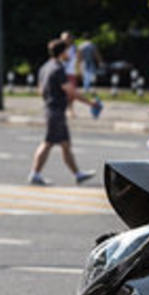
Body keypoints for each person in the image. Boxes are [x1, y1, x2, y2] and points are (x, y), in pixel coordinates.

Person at [27, 39, 98, 186]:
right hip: (56, 112)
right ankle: (34, 174)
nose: (69, 54)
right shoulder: (58, 69)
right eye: (67, 51)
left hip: (51, 109)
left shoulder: (45, 67)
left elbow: (40, 90)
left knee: (65, 145)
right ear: (62, 52)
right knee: (48, 143)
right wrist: (90, 103)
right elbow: (71, 91)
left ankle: (78, 174)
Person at [60, 31, 78, 116]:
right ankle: (62, 109)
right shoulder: (59, 48)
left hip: (71, 72)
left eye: (66, 38)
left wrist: (79, 70)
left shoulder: (75, 48)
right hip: (60, 72)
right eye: (62, 38)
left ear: (70, 39)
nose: (64, 40)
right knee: (61, 92)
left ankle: (71, 109)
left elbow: (78, 60)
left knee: (71, 93)